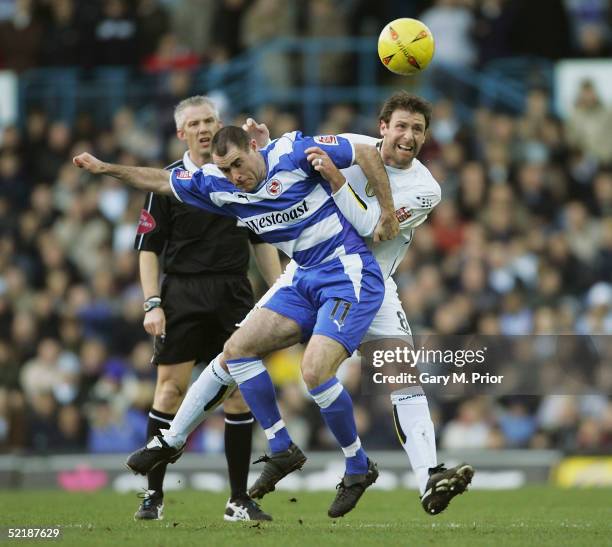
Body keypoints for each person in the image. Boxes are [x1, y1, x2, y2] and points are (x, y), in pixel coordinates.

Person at [124, 91, 474, 516]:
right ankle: (171, 441)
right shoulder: (351, 144)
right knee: (233, 353)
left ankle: (428, 479)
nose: (408, 135)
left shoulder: (424, 189)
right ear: (382, 128)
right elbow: (288, 174)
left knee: (400, 374)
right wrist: (268, 158)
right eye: (401, 126)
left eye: (417, 130)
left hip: (366, 280)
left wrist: (329, 178)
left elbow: (367, 229)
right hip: (307, 272)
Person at [74, 127, 399, 518]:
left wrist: (386, 210)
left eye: (238, 165)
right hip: (303, 276)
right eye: (225, 169)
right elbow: (160, 179)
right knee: (236, 350)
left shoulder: (291, 153)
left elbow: (365, 150)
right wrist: (105, 168)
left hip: (347, 272)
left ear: (254, 147)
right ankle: (280, 446)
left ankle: (357, 466)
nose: (235, 177)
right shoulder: (217, 185)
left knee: (313, 371)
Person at [133, 96, 282, 522]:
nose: (203, 128)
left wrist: (276, 290)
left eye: (210, 120)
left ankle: (238, 499)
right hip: (182, 294)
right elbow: (148, 249)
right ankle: (152, 495)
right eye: (195, 123)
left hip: (235, 293)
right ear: (181, 133)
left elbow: (261, 238)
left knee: (239, 395)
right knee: (169, 391)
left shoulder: (240, 175)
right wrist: (152, 303)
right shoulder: (167, 182)